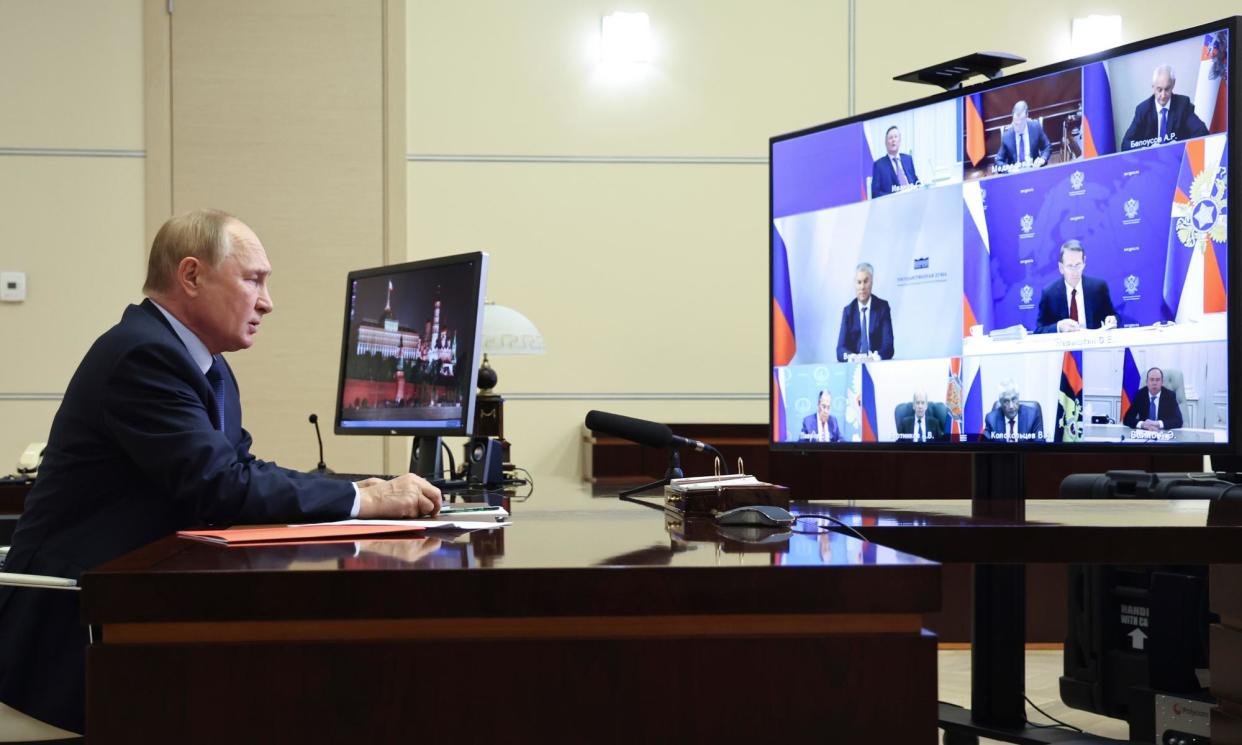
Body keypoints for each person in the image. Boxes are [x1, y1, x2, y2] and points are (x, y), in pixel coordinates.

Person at [0, 209, 443, 734]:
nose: (267, 301)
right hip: (74, 636)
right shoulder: (142, 355)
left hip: (136, 610)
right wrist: (365, 503)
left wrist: (354, 489)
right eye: (253, 279)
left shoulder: (205, 364)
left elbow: (239, 467)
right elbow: (220, 486)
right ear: (191, 276)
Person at [1035, 240, 1118, 334]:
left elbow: (1114, 316)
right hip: (1065, 347)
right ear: (1061, 268)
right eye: (1070, 266)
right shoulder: (1049, 293)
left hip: (1092, 346)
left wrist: (1113, 320)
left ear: (1084, 263)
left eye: (1078, 265)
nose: (1075, 271)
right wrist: (1059, 327)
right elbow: (1039, 330)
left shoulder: (1098, 288)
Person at [1120, 64, 1208, 151]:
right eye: (1159, 90)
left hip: (1177, 158)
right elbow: (1126, 144)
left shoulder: (1182, 105)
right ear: (1153, 86)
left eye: (1167, 89)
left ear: (1173, 84)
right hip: (1152, 160)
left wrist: (1179, 145)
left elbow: (1202, 131)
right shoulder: (1143, 110)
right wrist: (1146, 149)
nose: (1163, 95)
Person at [835, 262, 894, 362]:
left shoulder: (882, 308)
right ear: (855, 284)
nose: (862, 287)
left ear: (871, 283)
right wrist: (853, 357)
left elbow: (888, 347)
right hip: (854, 367)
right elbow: (840, 349)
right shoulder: (848, 311)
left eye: (865, 281)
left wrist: (873, 358)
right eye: (859, 282)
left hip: (877, 366)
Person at [994, 100, 1051, 170]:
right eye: (1015, 124)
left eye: (1021, 124)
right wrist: (1008, 168)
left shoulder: (1035, 127)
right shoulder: (1007, 136)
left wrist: (1043, 159)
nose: (1018, 127)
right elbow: (998, 160)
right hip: (1015, 174)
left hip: (1034, 169)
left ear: (1027, 116)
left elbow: (1047, 147)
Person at [1122, 367, 1183, 431]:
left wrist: (1158, 424)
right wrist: (1142, 424)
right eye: (1151, 379)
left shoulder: (1170, 396)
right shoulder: (1139, 394)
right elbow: (1127, 418)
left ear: (1162, 382)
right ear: (1147, 382)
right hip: (1144, 432)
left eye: (1157, 380)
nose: (1154, 383)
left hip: (1163, 433)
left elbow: (1178, 421)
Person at [871, 125, 920, 198]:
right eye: (890, 138)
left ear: (899, 141)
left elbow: (916, 182)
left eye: (896, 137)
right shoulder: (879, 165)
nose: (893, 140)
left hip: (912, 198)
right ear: (886, 143)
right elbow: (875, 193)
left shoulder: (908, 159)